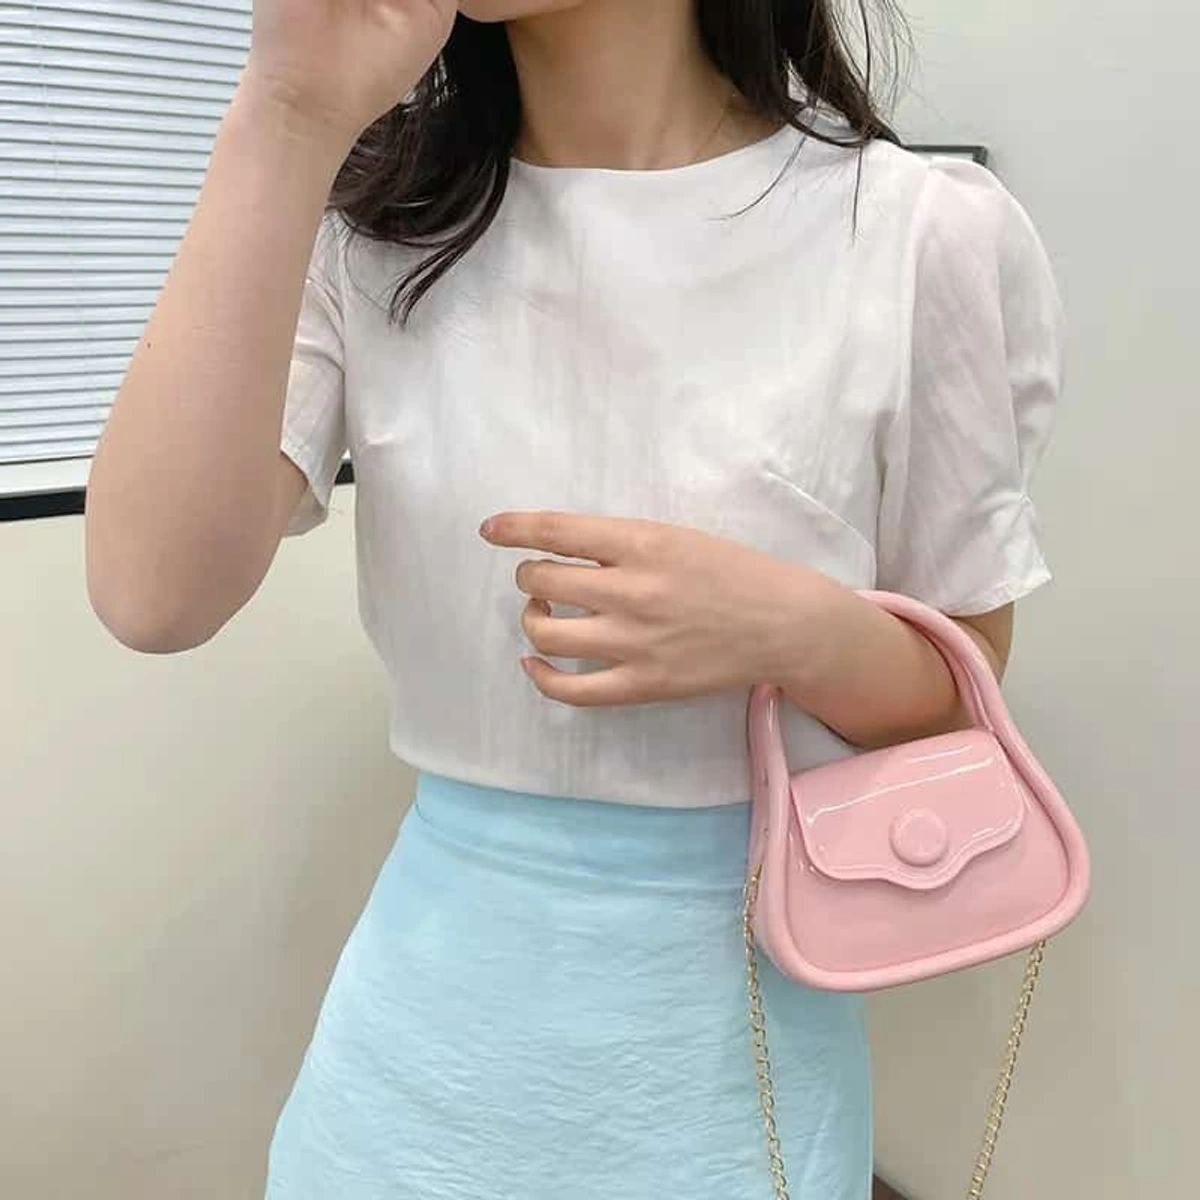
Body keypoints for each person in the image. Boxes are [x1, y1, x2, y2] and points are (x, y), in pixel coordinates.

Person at [84, 1, 1064, 1196]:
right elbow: (151, 594)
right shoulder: (374, 236)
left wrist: (794, 629)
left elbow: (961, 707)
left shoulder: (918, 234)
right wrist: (286, 112)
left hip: (738, 1088)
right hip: (406, 1089)